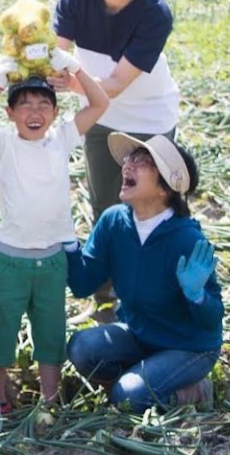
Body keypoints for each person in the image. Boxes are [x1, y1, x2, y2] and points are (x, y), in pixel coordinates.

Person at [52, 0, 178, 323]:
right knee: (106, 204)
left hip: (149, 116)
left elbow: (117, 83)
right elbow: (55, 54)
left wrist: (68, 83)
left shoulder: (154, 11)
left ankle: (152, 298)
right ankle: (104, 300)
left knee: (153, 205)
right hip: (99, 116)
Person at [0, 52, 109, 415]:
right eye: (25, 104)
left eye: (44, 104)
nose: (34, 112)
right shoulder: (4, 144)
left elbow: (100, 102)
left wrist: (73, 66)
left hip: (52, 261)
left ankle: (49, 402)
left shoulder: (62, 139)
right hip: (9, 261)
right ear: (10, 113)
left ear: (55, 112)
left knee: (51, 333)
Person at [65, 134, 221, 413]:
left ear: (165, 188)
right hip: (140, 334)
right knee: (81, 348)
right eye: (130, 159)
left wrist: (196, 295)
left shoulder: (186, 239)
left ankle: (192, 390)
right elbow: (82, 285)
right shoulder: (113, 222)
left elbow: (211, 321)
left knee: (129, 398)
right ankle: (139, 383)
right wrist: (68, 245)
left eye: (143, 162)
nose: (128, 166)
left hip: (189, 347)